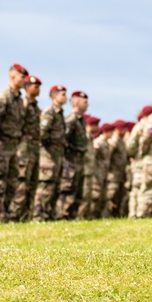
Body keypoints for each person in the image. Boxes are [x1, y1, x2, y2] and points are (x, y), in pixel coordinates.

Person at [0, 63, 27, 223]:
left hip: (14, 146)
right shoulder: (3, 97)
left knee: (12, 182)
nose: (24, 80)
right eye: (22, 77)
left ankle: (4, 218)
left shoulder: (19, 101)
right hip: (1, 145)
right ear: (12, 76)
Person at [32, 84, 67, 221]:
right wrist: (49, 147)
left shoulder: (59, 114)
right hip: (48, 156)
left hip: (56, 156)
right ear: (54, 96)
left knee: (53, 186)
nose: (65, 97)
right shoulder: (49, 112)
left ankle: (46, 214)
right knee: (44, 186)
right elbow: (43, 133)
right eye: (62, 94)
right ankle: (38, 215)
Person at [12, 74, 42, 222]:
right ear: (27, 88)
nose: (38, 90)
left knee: (32, 185)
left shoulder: (36, 107)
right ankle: (15, 216)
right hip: (23, 149)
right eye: (36, 87)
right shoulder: (23, 104)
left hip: (34, 149)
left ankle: (26, 217)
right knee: (21, 184)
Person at [56, 91, 90, 220]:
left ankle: (71, 218)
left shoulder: (81, 120)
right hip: (70, 161)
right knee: (67, 190)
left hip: (78, 161)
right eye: (84, 102)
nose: (87, 104)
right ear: (76, 102)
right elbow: (63, 139)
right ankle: (62, 217)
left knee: (77, 191)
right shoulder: (71, 119)